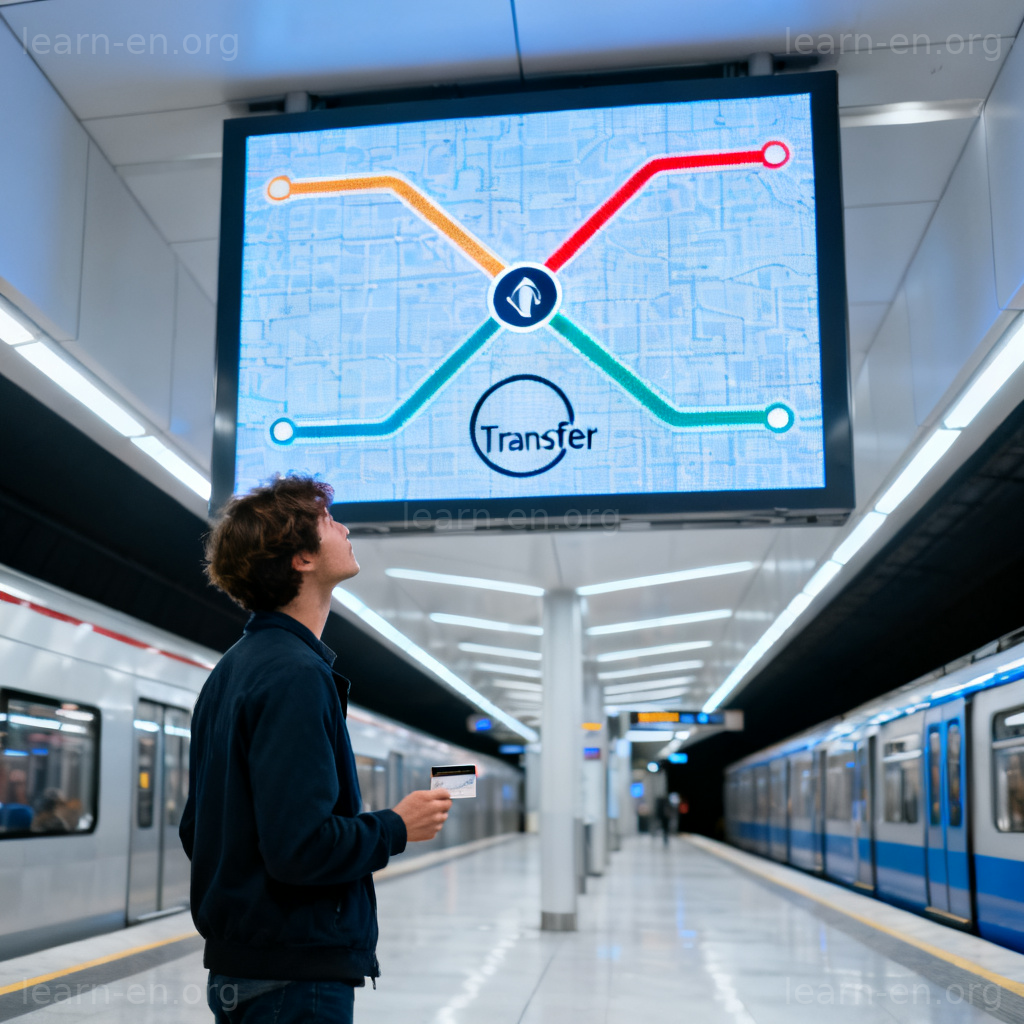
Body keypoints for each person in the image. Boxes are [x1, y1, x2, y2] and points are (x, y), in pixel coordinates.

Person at [179, 474, 452, 1024]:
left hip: (248, 969)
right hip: (294, 977)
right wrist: (398, 825)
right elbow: (301, 848)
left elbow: (197, 830)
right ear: (302, 557)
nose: (345, 528)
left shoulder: (233, 670)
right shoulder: (295, 675)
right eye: (330, 521)